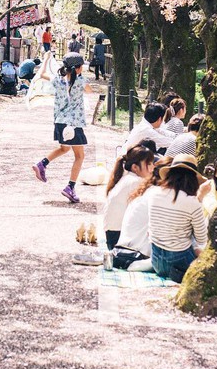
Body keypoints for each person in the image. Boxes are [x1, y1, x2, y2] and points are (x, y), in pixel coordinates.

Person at [32, 52, 93, 203]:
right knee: (79, 156)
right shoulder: (81, 81)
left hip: (60, 122)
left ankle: (42, 164)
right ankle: (70, 187)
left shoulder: (57, 80)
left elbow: (42, 74)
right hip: (73, 124)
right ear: (78, 68)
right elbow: (90, 91)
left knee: (65, 148)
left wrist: (46, 59)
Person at [147, 154, 208, 282]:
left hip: (156, 261)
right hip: (180, 263)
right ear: (193, 179)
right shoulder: (192, 202)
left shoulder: (154, 193)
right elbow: (202, 239)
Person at [103, 145, 155, 249]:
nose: (152, 167)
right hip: (120, 238)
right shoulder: (136, 182)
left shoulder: (126, 178)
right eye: (148, 164)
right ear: (135, 167)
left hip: (112, 235)